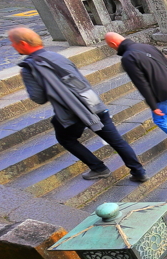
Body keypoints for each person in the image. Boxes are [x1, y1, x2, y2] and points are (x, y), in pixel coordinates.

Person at [10, 27, 147, 183]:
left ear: (22, 43)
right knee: (116, 141)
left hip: (72, 112)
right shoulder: (57, 56)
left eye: (12, 43)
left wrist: (27, 80)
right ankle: (139, 172)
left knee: (66, 139)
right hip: (93, 103)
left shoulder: (29, 68)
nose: (12, 46)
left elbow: (39, 98)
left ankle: (98, 168)